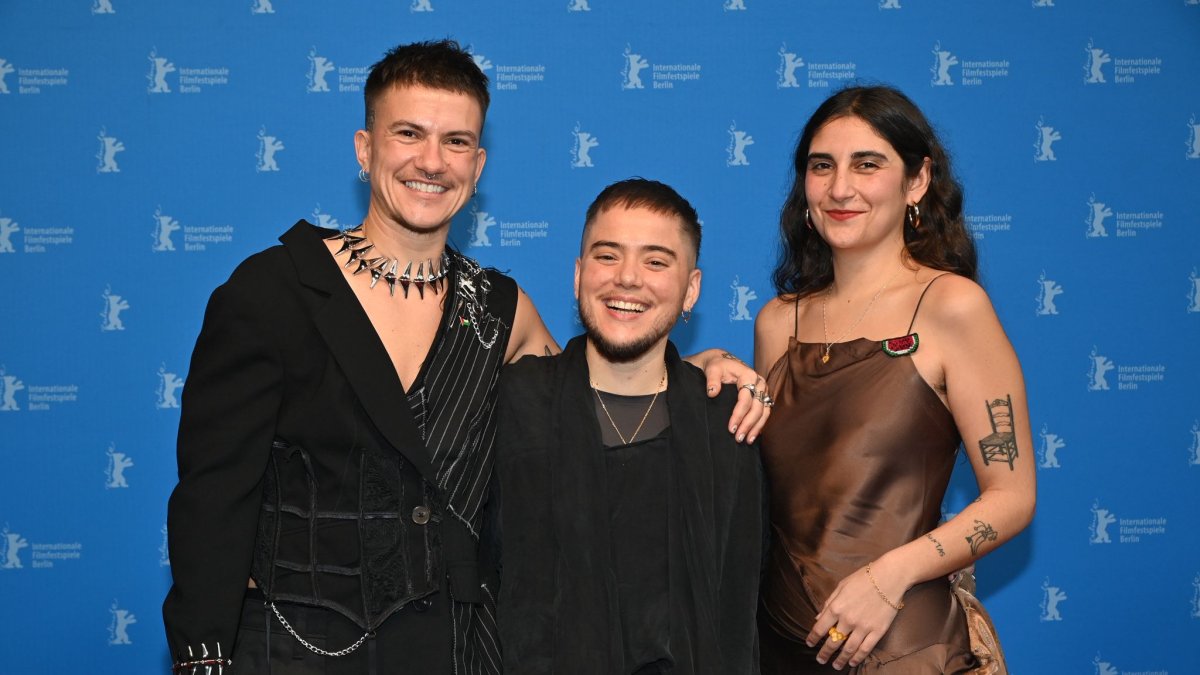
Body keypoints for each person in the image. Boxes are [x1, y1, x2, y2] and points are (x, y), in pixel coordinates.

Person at [162, 41, 768, 674]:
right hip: (293, 645)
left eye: (455, 142)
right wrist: (203, 656)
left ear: (478, 167)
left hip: (449, 649)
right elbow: (212, 494)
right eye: (408, 134)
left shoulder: (501, 309)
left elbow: (594, 386)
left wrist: (697, 367)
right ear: (365, 150)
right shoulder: (273, 289)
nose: (431, 162)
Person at [754, 86, 1036, 673]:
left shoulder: (953, 307)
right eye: (821, 166)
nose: (840, 188)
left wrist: (890, 575)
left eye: (867, 164)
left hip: (903, 645)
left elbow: (1012, 497)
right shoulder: (778, 321)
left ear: (917, 180)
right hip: (777, 646)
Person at [493, 178, 766, 675]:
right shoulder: (513, 403)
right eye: (607, 255)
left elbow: (738, 610)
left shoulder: (727, 423)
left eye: (656, 261)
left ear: (692, 289)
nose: (628, 279)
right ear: (578, 275)